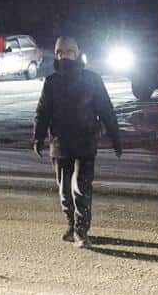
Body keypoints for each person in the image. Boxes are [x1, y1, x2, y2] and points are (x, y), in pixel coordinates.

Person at [32, 37, 123, 248]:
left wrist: (116, 138)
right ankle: (71, 225)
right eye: (61, 52)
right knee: (64, 191)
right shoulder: (52, 83)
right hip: (60, 145)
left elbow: (106, 111)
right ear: (57, 55)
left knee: (81, 188)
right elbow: (42, 112)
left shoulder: (92, 80)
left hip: (85, 143)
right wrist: (38, 137)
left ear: (76, 53)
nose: (65, 56)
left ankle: (82, 231)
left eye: (69, 52)